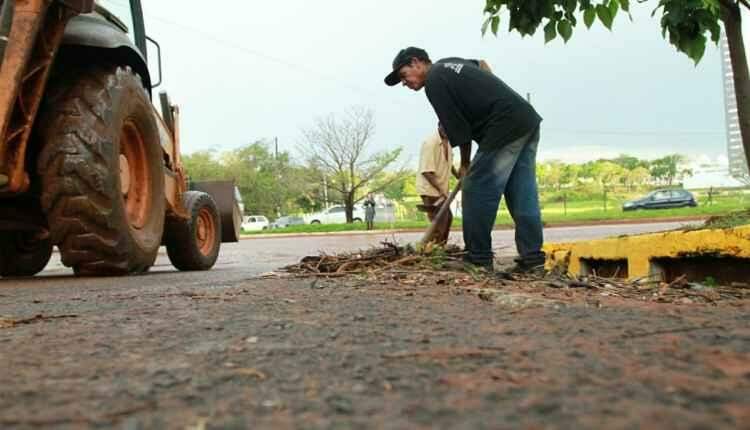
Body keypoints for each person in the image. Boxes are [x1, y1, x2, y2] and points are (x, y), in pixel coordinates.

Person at [384, 47, 545, 273]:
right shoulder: (449, 63)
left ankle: (478, 259)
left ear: (416, 62)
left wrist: (466, 165)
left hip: (503, 127)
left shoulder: (434, 81)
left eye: (404, 76)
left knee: (476, 190)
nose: (405, 83)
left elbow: (459, 131)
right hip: (525, 119)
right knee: (521, 193)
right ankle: (533, 260)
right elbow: (482, 64)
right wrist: (489, 91)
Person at [416, 124, 457, 245]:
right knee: (439, 223)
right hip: (430, 190)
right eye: (445, 127)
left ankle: (439, 248)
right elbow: (427, 172)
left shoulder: (448, 142)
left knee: (448, 219)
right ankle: (432, 250)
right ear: (439, 126)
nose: (448, 131)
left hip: (441, 191)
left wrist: (457, 174)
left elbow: (448, 163)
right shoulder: (430, 143)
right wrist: (441, 190)